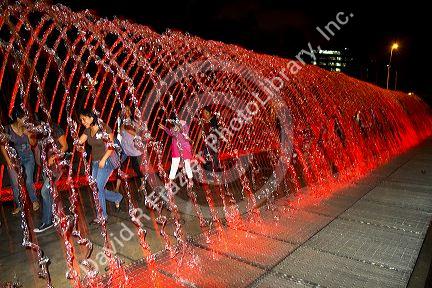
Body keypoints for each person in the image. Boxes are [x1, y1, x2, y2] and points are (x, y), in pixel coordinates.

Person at [78, 108, 123, 221]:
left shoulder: (103, 128)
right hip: (95, 162)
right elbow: (79, 142)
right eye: (81, 120)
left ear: (91, 118)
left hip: (106, 161)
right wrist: (77, 145)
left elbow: (111, 146)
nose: (82, 122)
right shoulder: (88, 131)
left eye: (84, 119)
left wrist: (103, 160)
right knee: (96, 188)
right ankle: (117, 197)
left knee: (98, 187)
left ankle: (103, 216)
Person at [0, 107, 39, 214]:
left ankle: (34, 201)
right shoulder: (8, 129)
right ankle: (19, 205)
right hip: (14, 159)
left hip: (28, 158)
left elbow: (33, 144)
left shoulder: (27, 128)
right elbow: (2, 146)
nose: (26, 120)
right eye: (24, 118)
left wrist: (30, 135)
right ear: (18, 118)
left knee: (28, 181)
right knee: (15, 183)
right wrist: (8, 161)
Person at [33, 120, 68, 233]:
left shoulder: (55, 130)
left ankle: (47, 221)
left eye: (38, 125)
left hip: (56, 166)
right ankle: (57, 216)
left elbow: (65, 146)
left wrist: (54, 157)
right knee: (51, 192)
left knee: (44, 191)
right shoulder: (40, 133)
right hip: (46, 166)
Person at [114, 105, 145, 191]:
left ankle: (143, 182)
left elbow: (136, 133)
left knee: (135, 167)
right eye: (124, 110)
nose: (126, 112)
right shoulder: (121, 122)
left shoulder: (133, 122)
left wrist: (127, 129)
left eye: (127, 110)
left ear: (130, 112)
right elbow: (119, 133)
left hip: (132, 148)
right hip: (124, 148)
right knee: (120, 167)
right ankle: (117, 188)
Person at [159, 116, 193, 185]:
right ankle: (170, 180)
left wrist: (181, 130)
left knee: (187, 164)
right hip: (176, 147)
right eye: (171, 126)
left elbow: (186, 135)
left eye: (173, 126)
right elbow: (171, 133)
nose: (172, 128)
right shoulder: (172, 128)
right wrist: (165, 128)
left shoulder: (184, 126)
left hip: (184, 148)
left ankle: (190, 180)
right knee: (174, 164)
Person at [200, 107, 220, 172]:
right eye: (203, 113)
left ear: (210, 112)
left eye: (206, 113)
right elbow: (201, 134)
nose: (205, 115)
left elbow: (215, 130)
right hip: (207, 143)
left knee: (214, 157)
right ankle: (209, 173)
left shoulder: (213, 119)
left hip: (214, 142)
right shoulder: (203, 122)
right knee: (207, 158)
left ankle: (216, 171)